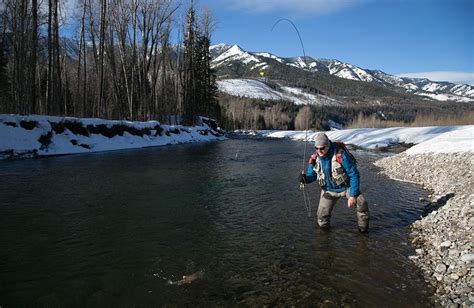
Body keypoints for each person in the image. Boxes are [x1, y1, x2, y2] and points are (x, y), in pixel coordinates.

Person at [299, 133, 369, 232]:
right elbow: (312, 176)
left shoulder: (341, 155)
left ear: (327, 145)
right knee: (321, 218)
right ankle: (325, 235)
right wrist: (305, 179)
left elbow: (354, 174)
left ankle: (363, 230)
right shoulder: (315, 159)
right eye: (317, 148)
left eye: (322, 148)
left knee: (362, 203)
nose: (319, 151)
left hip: (346, 187)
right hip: (328, 190)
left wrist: (353, 195)